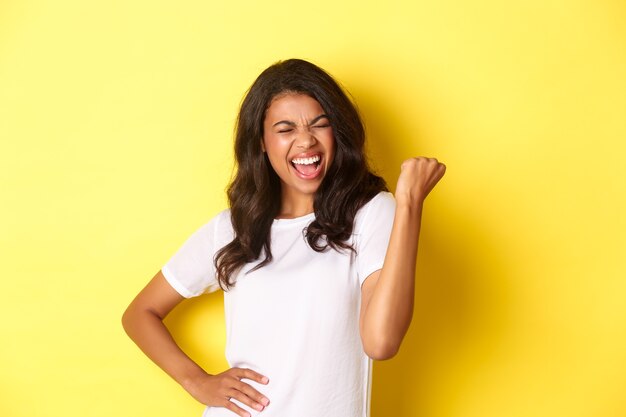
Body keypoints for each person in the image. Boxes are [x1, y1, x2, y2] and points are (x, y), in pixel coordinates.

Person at [122, 58, 446, 417]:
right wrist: (196, 381)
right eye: (285, 129)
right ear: (261, 141)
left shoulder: (371, 213)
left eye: (320, 125)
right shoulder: (232, 228)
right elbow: (139, 313)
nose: (306, 140)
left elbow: (381, 341)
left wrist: (410, 204)